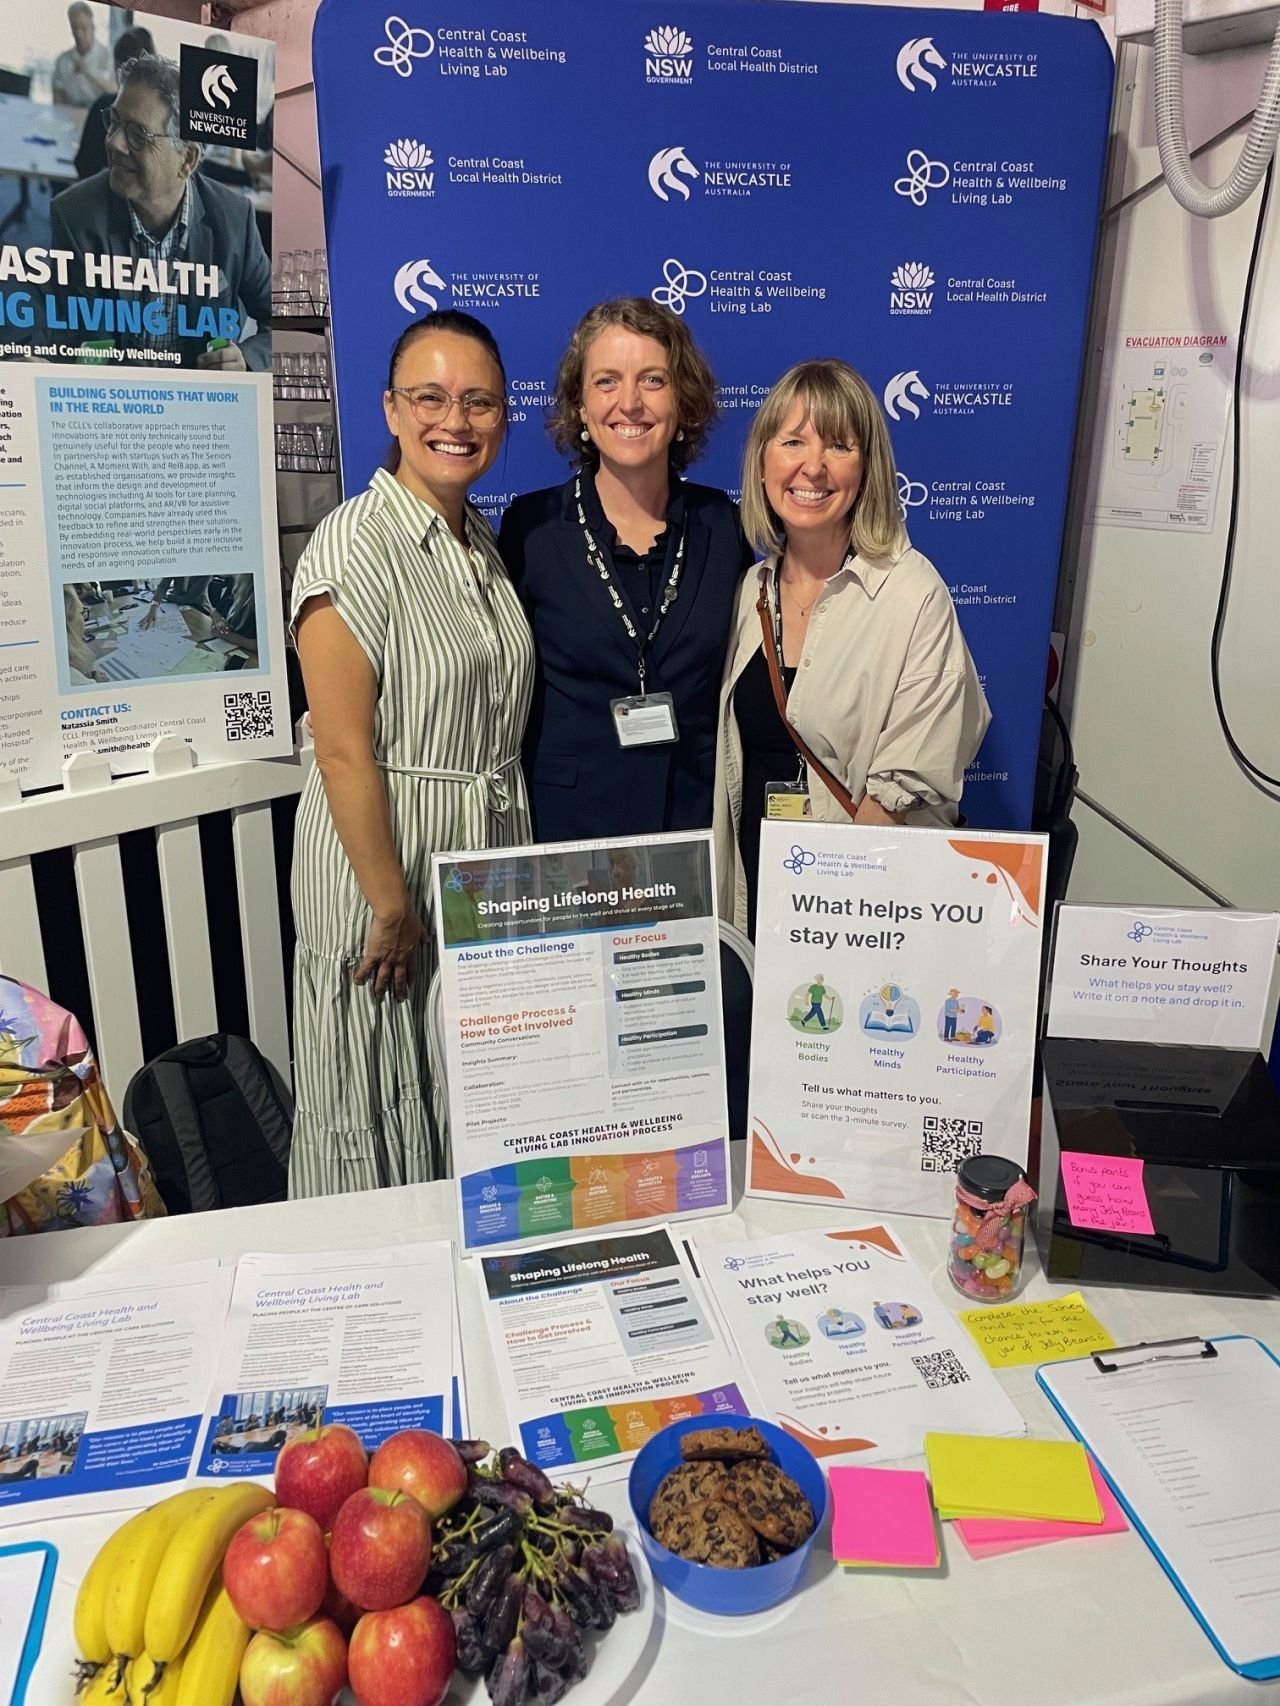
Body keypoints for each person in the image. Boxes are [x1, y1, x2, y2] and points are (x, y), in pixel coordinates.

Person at [289, 309, 533, 1199]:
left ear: (503, 417)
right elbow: (341, 750)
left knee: (466, 1092)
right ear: (391, 410)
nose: (454, 421)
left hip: (475, 868)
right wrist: (390, 904)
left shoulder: (483, 545)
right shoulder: (355, 541)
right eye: (430, 398)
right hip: (384, 869)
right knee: (376, 1089)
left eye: (478, 402)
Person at [714, 359, 990, 936]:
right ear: (763, 462)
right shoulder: (748, 591)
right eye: (792, 442)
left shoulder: (912, 594)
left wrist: (831, 915)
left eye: (839, 445)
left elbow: (908, 779)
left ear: (867, 469)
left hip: (859, 906)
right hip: (755, 887)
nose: (812, 466)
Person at [498, 298, 750, 842]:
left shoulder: (725, 527)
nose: (630, 403)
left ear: (683, 401)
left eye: (653, 380)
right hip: (568, 831)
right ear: (580, 405)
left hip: (691, 827)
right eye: (606, 381)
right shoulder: (531, 528)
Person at [50, 53, 271, 371]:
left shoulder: (235, 218)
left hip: (202, 397)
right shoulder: (74, 215)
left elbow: (281, 320)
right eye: (114, 121)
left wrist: (246, 359)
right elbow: (68, 336)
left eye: (138, 135)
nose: (114, 143)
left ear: (187, 160)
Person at [74, 24, 155, 180]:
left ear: (118, 67)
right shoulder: (166, 112)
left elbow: (84, 167)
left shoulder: (104, 106)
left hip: (106, 191)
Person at [53, 3, 114, 108]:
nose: (79, 34)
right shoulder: (62, 60)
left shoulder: (108, 56)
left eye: (83, 28)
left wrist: (89, 72)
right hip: (70, 114)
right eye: (75, 28)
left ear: (93, 27)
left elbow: (116, 92)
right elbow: (58, 97)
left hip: (99, 113)